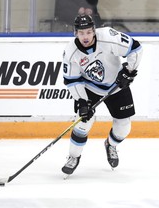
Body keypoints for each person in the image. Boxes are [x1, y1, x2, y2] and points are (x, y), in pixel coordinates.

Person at [61, 14, 143, 176]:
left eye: (88, 32)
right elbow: (72, 80)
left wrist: (129, 71)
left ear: (94, 31)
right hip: (89, 87)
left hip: (117, 85)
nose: (85, 36)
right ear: (75, 33)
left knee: (124, 127)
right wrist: (82, 101)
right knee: (83, 122)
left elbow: (136, 48)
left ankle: (110, 145)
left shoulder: (108, 36)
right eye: (81, 33)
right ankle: (74, 157)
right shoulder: (70, 52)